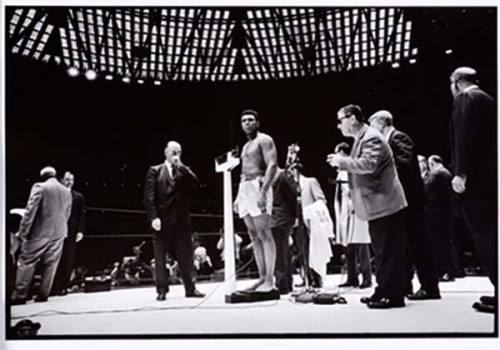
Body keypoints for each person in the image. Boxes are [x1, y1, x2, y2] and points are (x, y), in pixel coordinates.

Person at [327, 104, 407, 309]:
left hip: (385, 203)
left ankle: (394, 295)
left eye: (340, 120)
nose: (338, 126)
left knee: (388, 251)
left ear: (352, 118)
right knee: (382, 251)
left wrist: (343, 162)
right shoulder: (361, 138)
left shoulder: (371, 137)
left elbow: (369, 165)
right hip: (377, 204)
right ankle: (383, 290)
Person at [368, 110, 440, 301]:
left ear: (382, 123)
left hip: (411, 201)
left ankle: (430, 287)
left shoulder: (399, 138)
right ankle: (404, 286)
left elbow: (403, 163)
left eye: (372, 124)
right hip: (402, 201)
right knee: (405, 245)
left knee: (418, 243)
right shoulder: (389, 140)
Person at [449, 67, 497, 313]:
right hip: (491, 179)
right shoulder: (488, 99)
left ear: (456, 82)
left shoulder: (466, 98)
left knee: (485, 237)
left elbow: (464, 137)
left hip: (476, 181)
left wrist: (460, 172)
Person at [144, 141, 205, 301]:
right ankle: (162, 290)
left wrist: (182, 166)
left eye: (178, 152)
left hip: (181, 221)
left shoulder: (183, 171)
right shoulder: (155, 171)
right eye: (173, 151)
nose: (175, 154)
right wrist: (153, 217)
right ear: (166, 152)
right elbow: (149, 198)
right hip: (162, 221)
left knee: (186, 256)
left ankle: (190, 289)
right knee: (160, 257)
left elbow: (195, 182)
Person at [11, 166, 73, 304]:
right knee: (51, 264)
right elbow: (67, 214)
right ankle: (43, 294)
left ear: (43, 176)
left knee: (26, 261)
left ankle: (20, 296)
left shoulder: (40, 186)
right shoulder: (66, 191)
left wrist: (22, 232)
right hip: (59, 232)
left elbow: (30, 211)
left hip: (39, 232)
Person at [234, 109, 278, 292]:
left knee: (264, 233)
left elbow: (272, 165)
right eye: (244, 120)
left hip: (258, 184)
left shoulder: (265, 140)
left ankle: (270, 280)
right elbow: (243, 171)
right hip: (245, 187)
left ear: (257, 122)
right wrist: (238, 196)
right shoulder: (245, 146)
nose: (247, 123)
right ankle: (261, 277)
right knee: (253, 235)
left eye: (250, 120)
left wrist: (263, 191)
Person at [333, 142, 372, 289]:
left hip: (355, 210)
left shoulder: (353, 168)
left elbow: (358, 189)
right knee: (348, 247)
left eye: (336, 153)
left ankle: (367, 278)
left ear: (342, 153)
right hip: (345, 211)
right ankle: (352, 277)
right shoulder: (341, 171)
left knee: (361, 245)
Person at [51, 171, 85, 296]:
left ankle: (63, 287)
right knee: (54, 258)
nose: (69, 182)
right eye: (67, 179)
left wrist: (80, 231)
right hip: (56, 229)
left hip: (71, 231)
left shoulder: (78, 196)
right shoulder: (55, 195)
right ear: (61, 180)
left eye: (72, 179)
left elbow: (81, 215)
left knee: (68, 259)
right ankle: (53, 286)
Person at [425, 155, 455, 282]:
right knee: (444, 242)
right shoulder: (446, 173)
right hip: (444, 212)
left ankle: (446, 271)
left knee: (440, 243)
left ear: (432, 163)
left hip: (438, 213)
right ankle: (446, 270)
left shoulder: (438, 174)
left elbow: (429, 192)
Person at [270, 167, 297, 294]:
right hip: (275, 218)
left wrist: (296, 216)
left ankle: (282, 284)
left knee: (281, 252)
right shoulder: (271, 176)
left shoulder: (282, 175)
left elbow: (292, 196)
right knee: (282, 252)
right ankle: (284, 283)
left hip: (282, 218)